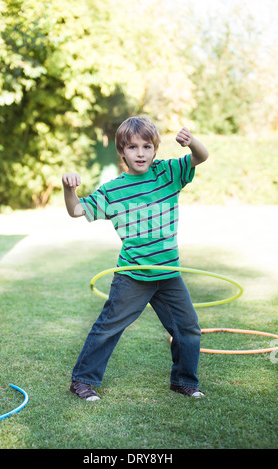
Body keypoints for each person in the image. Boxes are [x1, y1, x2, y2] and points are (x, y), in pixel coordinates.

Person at [62, 117, 209, 401]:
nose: (140, 153)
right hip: (133, 275)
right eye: (132, 147)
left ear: (155, 149)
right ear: (122, 152)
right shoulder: (113, 190)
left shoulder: (168, 173)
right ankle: (82, 380)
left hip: (168, 273)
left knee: (187, 327)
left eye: (146, 146)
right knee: (109, 327)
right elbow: (77, 210)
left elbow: (200, 157)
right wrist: (69, 188)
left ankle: (184, 381)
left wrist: (192, 142)